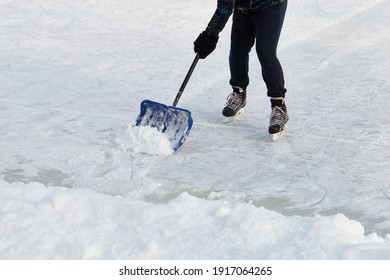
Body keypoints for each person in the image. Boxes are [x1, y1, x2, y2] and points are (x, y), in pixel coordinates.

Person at [194, 0, 288, 135]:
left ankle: (278, 105)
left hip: (270, 6)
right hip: (244, 9)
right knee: (238, 50)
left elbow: (225, 7)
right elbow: (225, 6)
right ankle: (239, 93)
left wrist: (210, 34)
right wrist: (210, 35)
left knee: (265, 53)